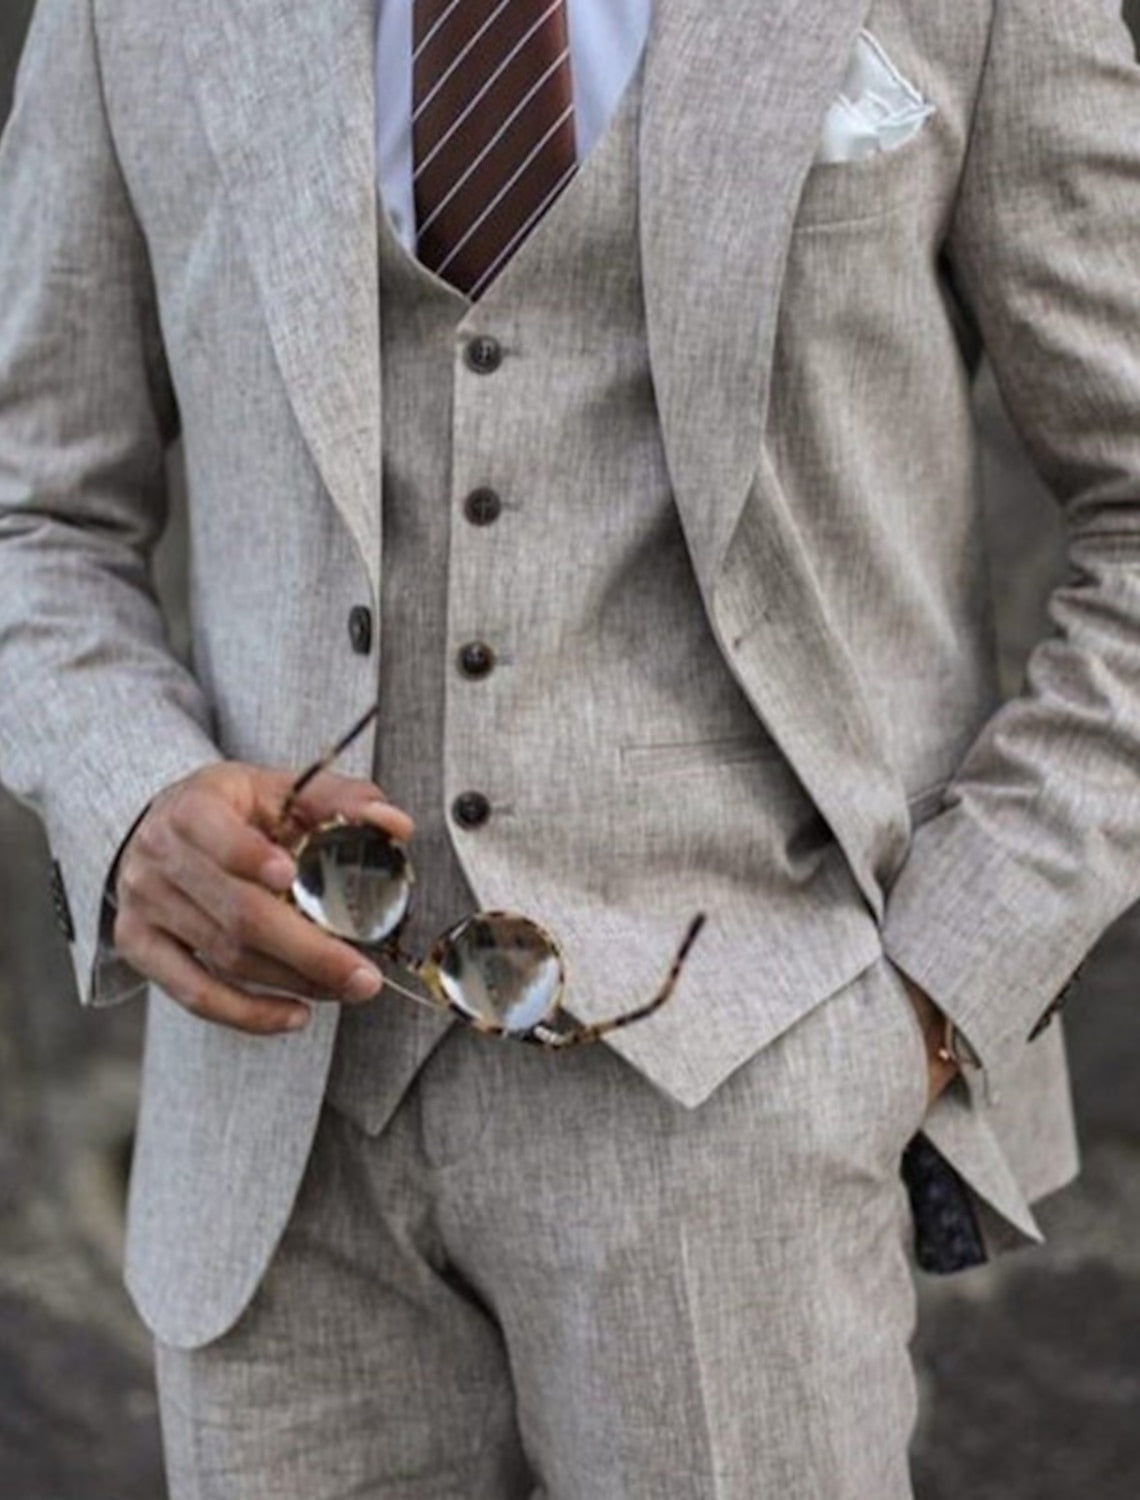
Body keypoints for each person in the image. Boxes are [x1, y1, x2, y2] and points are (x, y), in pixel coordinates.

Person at [1, 0, 1137, 1494]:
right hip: (275, 1143)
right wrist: (131, 798)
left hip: (750, 1091)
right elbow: (31, 510)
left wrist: (937, 985)